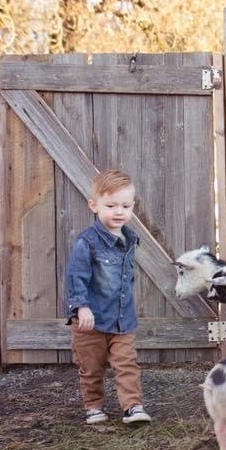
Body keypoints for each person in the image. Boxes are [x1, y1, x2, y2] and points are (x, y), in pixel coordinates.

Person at [65, 169, 152, 426]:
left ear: (132, 206)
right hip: (90, 321)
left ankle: (133, 407)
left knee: (127, 364)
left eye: (125, 206)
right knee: (92, 368)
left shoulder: (130, 239)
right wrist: (81, 307)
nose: (119, 212)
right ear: (94, 205)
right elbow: (76, 276)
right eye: (111, 205)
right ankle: (94, 406)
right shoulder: (88, 242)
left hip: (123, 320)